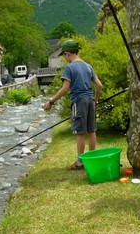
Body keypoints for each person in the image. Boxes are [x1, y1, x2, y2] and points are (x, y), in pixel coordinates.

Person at [43, 39, 102, 170]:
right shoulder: (88, 66)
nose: (64, 58)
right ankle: (91, 159)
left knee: (80, 132)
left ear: (68, 53)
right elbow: (99, 85)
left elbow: (64, 89)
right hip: (90, 100)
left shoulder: (69, 68)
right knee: (91, 130)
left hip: (79, 101)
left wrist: (51, 102)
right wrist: (95, 100)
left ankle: (80, 162)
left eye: (64, 55)